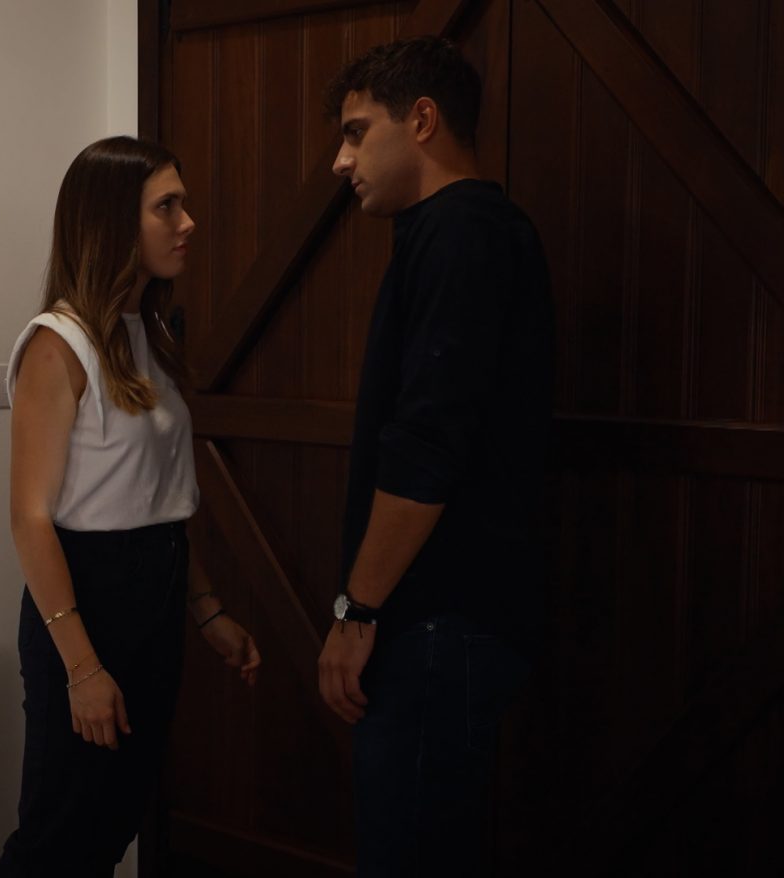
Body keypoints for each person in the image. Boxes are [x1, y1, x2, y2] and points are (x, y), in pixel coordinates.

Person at [314, 37, 555, 876]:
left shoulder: (465, 232)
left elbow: (428, 443)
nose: (340, 161)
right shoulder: (445, 233)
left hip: (438, 622)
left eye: (356, 132)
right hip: (438, 624)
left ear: (421, 120)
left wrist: (356, 612)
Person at [0, 136, 261, 877]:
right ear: (113, 222)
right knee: (57, 842)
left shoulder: (149, 334)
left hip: (156, 595)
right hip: (87, 603)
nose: (188, 223)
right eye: (166, 207)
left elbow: (159, 502)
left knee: (112, 826)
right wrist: (82, 669)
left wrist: (206, 611)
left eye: (183, 204)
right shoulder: (58, 345)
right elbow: (29, 518)